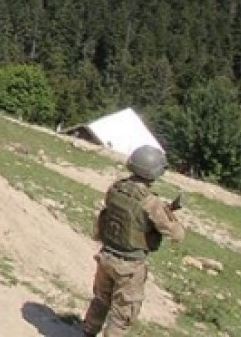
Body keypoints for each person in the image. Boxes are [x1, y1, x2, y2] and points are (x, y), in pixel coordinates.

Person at [81, 144, 186, 337]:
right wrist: (169, 213)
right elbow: (177, 234)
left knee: (100, 301)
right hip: (129, 265)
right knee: (122, 314)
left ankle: (87, 332)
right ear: (154, 171)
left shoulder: (116, 188)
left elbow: (130, 215)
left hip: (107, 255)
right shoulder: (150, 202)